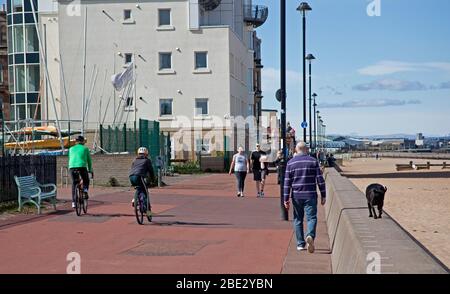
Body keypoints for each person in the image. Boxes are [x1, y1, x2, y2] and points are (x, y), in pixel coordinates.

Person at [284, 141, 326, 253]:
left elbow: (287, 182)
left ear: (296, 150)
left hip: (296, 195)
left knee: (298, 219)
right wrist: (323, 194)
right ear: (306, 150)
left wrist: (286, 198)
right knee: (311, 218)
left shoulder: (290, 163)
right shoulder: (313, 161)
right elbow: (320, 180)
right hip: (310, 194)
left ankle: (300, 244)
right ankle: (310, 235)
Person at [68, 136, 93, 208]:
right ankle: (85, 190)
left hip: (72, 167)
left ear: (76, 141)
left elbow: (70, 158)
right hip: (82, 166)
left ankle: (73, 202)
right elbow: (89, 161)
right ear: (82, 141)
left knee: (74, 183)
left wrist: (70, 167)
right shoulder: (85, 149)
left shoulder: (71, 149)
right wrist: (90, 169)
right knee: (86, 180)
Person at [129, 147, 155, 216]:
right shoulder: (147, 160)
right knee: (145, 191)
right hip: (139, 177)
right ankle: (148, 212)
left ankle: (135, 199)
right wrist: (153, 180)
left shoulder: (134, 160)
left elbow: (132, 168)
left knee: (139, 188)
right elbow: (151, 171)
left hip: (131, 177)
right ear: (146, 154)